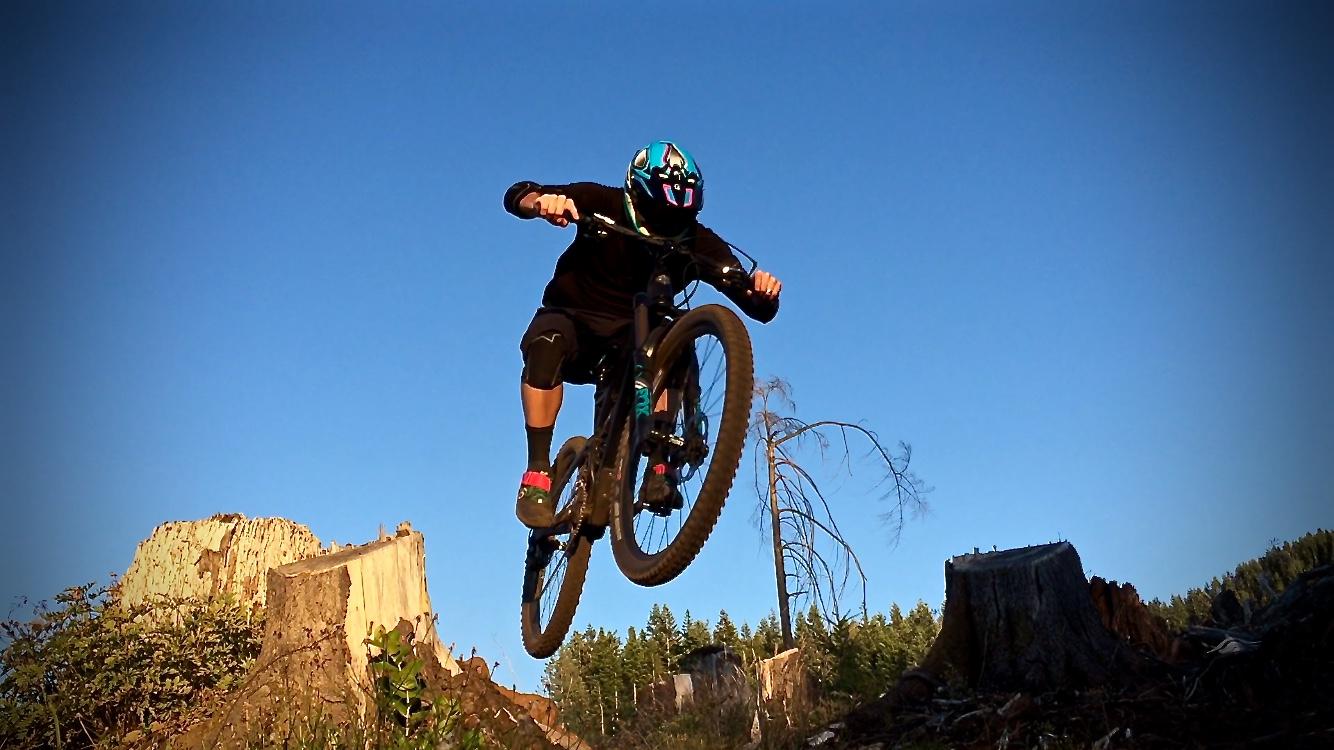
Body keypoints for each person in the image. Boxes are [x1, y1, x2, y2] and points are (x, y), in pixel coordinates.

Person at [503, 140, 783, 529]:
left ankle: (659, 463)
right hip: (574, 320)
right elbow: (518, 195)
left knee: (673, 341)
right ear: (639, 193)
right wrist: (542, 203)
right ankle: (537, 473)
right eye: (661, 213)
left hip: (632, 342)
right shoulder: (599, 201)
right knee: (547, 344)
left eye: (679, 215)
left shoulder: (694, 239)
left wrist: (763, 292)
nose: (667, 226)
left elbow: (753, 304)